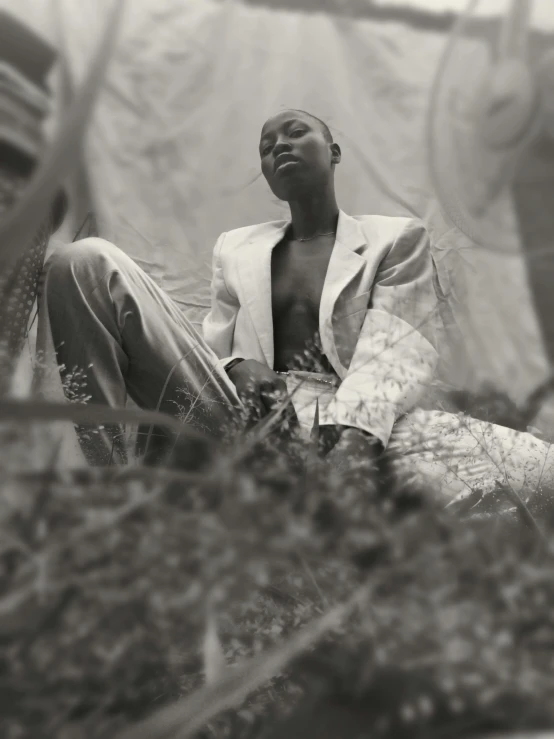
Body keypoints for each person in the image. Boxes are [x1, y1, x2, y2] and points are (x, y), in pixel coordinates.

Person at [37, 109, 554, 503]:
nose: (279, 145)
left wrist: (350, 450)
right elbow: (206, 353)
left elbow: (396, 353)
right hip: (246, 410)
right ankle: (101, 494)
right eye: (266, 146)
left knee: (539, 468)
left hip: (352, 420)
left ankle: (301, 486)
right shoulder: (234, 248)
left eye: (295, 132)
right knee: (83, 261)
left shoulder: (394, 238)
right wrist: (238, 367)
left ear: (333, 151)